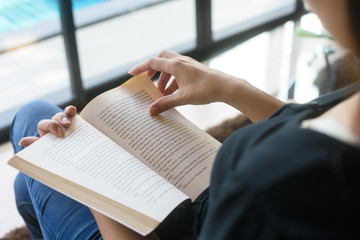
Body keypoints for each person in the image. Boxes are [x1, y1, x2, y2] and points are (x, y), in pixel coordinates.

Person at [11, 0, 360, 239]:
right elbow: (309, 119)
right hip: (202, 202)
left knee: (31, 119)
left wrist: (86, 178)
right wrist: (231, 88)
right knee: (26, 184)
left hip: (172, 227)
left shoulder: (263, 193)